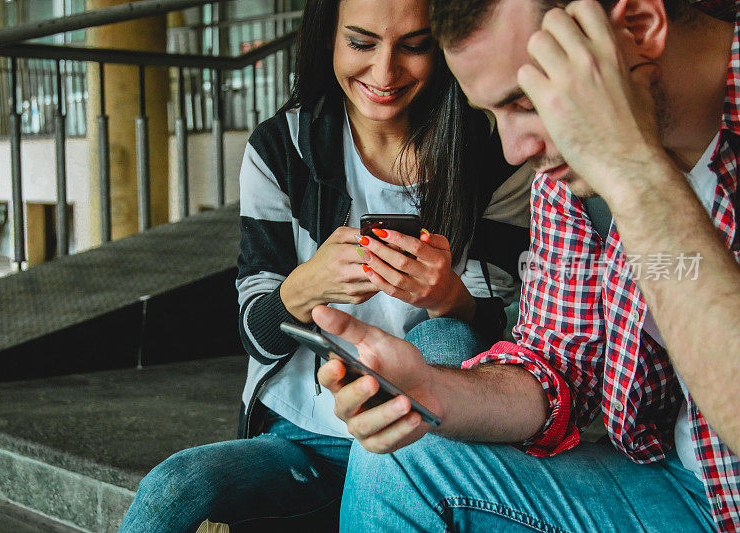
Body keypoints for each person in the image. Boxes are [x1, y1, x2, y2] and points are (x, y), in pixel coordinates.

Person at [315, 0, 740, 531]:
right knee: (405, 456)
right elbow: (558, 366)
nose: (515, 150)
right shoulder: (568, 178)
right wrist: (433, 392)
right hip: (689, 484)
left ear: (638, 27)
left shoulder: (605, 159)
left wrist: (631, 169)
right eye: (494, 114)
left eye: (527, 100)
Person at [118, 0, 530, 530]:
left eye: (414, 45)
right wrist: (304, 288)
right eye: (361, 43)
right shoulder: (281, 148)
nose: (384, 73)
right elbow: (256, 334)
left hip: (427, 444)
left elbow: (518, 337)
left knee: (445, 336)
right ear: (327, 38)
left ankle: (397, 492)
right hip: (304, 438)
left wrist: (449, 296)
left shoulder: (496, 151)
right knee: (171, 489)